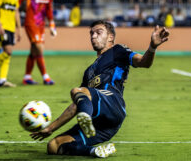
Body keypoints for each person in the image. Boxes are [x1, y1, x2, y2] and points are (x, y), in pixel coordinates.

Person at [31, 20, 169, 158]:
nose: (93, 36)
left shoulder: (118, 50)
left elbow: (143, 62)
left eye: (98, 32)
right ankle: (94, 151)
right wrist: (50, 128)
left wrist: (152, 47)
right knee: (54, 145)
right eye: (91, 33)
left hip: (113, 103)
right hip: (104, 126)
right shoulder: (88, 72)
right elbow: (76, 105)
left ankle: (85, 118)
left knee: (77, 91)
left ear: (110, 37)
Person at [19, 0, 56, 85]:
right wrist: (14, 12)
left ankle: (27, 77)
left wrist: (52, 25)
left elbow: (49, 9)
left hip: (41, 25)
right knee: (39, 49)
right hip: (31, 22)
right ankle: (46, 77)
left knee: (34, 51)